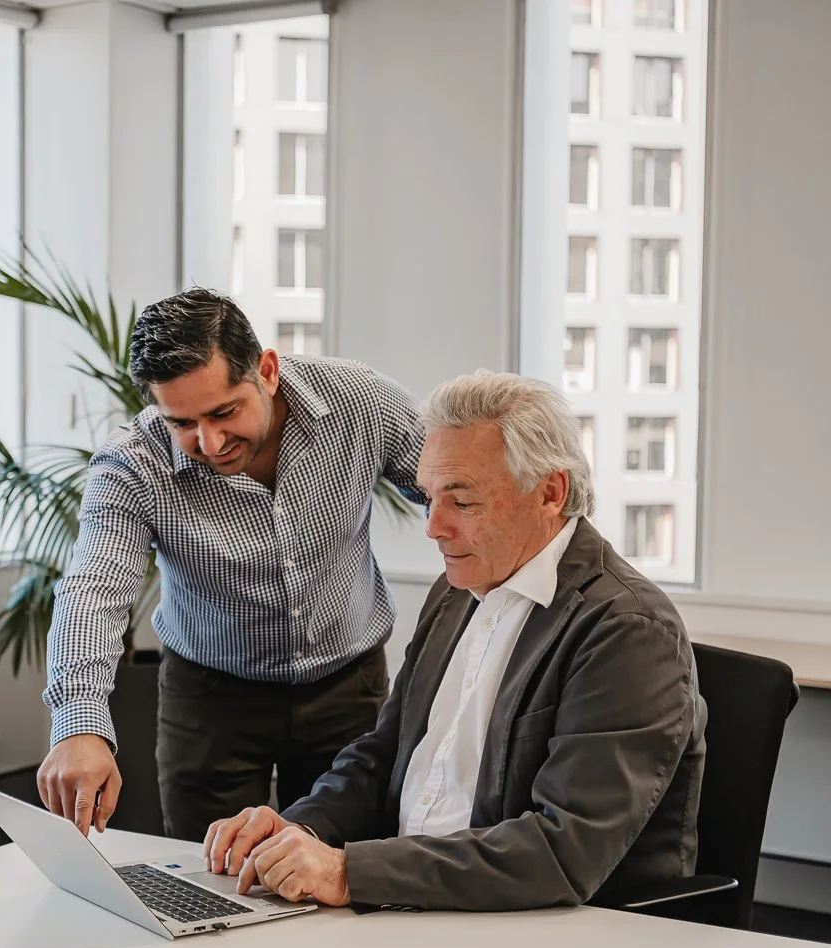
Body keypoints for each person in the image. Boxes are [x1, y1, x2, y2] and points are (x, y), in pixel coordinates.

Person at [201, 369, 707, 911]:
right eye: (429, 498)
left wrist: (350, 874)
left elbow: (562, 853)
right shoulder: (458, 589)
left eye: (461, 502)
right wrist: (296, 829)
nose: (434, 526)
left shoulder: (627, 630)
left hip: (546, 934)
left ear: (550, 493)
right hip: (413, 903)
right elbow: (384, 754)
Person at [37, 288, 425, 840]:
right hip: (210, 699)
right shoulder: (132, 465)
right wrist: (77, 725)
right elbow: (92, 590)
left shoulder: (360, 401)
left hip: (348, 687)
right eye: (183, 423)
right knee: (209, 881)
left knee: (349, 867)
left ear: (266, 371)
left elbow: (449, 487)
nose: (211, 442)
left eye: (224, 412)